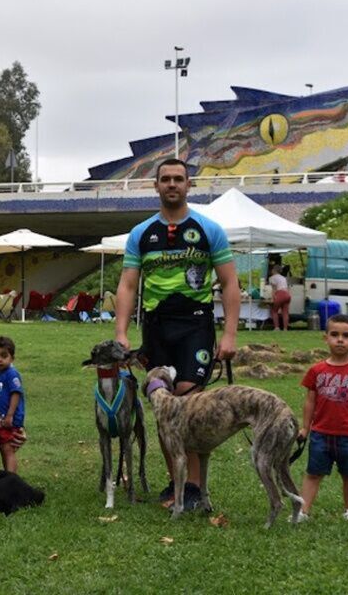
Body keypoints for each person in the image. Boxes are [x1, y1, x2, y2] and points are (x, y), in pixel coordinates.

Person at [114, 157, 239, 511]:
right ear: (155, 186)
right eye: (165, 179)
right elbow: (127, 285)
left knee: (188, 400)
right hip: (156, 326)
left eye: (178, 179)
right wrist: (121, 331)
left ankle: (195, 488)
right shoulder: (142, 234)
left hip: (195, 324)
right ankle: (176, 483)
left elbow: (230, 283)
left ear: (188, 185)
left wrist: (229, 335)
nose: (172, 184)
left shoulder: (208, 229)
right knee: (163, 406)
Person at [296, 313, 348, 522]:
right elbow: (310, 401)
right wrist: (305, 428)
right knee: (313, 473)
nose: (340, 339)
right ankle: (302, 511)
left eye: (346, 336)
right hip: (320, 434)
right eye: (335, 334)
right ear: (326, 338)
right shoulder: (316, 370)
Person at [0, 335, 25, 473]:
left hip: (9, 420)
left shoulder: (11, 374)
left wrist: (10, 415)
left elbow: (16, 393)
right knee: (3, 448)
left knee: (7, 449)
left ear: (12, 358)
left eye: (4, 356)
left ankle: (11, 479)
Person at [268, 262, 291, 331]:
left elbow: (274, 289)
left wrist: (272, 298)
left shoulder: (272, 278)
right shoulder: (283, 278)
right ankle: (285, 328)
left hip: (280, 294)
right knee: (285, 312)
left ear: (274, 270)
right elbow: (287, 288)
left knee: (274, 311)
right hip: (287, 294)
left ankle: (277, 327)